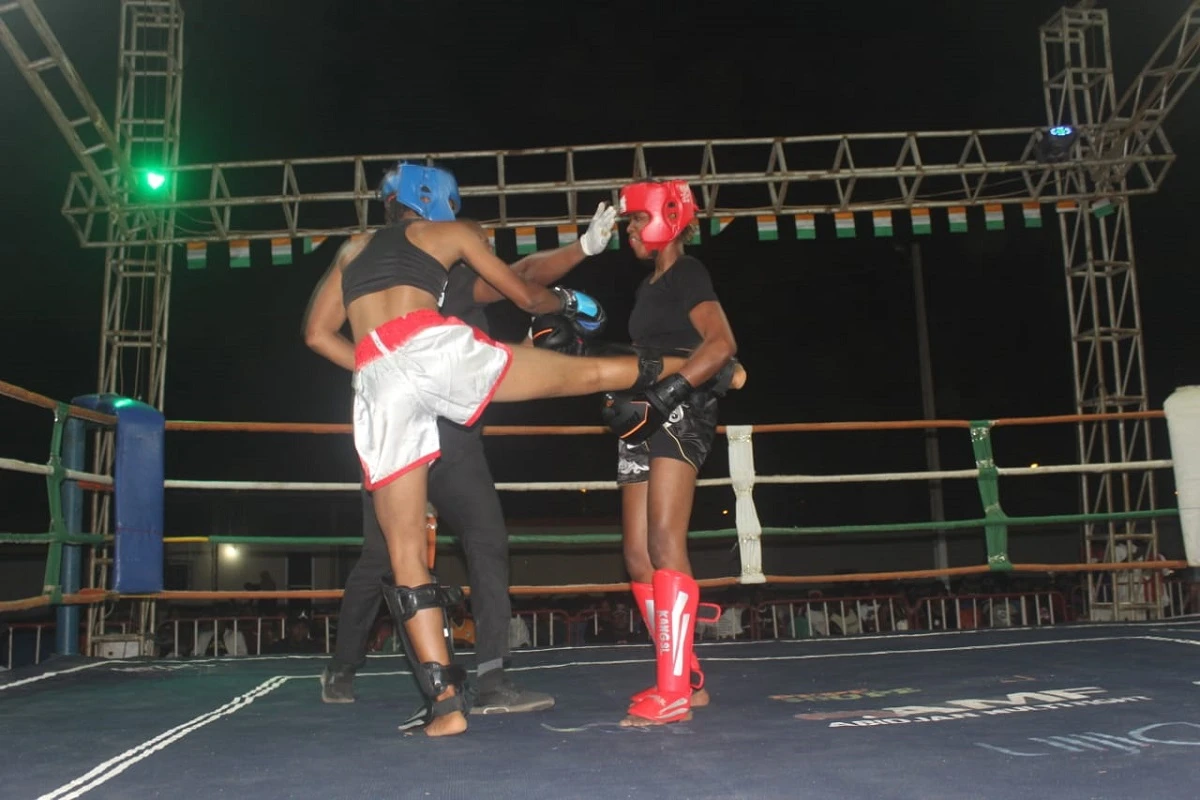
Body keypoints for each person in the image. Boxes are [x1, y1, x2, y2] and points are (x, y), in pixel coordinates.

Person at [306, 161, 740, 738]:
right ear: (436, 199)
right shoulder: (451, 237)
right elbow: (523, 286)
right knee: (571, 377)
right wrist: (564, 305)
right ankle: (706, 371)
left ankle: (444, 705)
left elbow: (315, 333)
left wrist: (372, 362)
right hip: (434, 355)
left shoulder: (353, 249)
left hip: (378, 383)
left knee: (402, 550)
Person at [304, 162, 619, 716]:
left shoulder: (388, 258)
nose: (480, 244)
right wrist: (581, 259)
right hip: (429, 421)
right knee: (397, 552)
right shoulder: (440, 257)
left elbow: (524, 272)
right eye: (476, 239)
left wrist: (583, 248)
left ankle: (475, 679)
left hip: (423, 423)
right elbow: (525, 277)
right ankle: (349, 665)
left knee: (456, 543)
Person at [605, 179, 739, 726]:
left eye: (637, 221)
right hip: (646, 412)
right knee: (637, 552)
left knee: (664, 538)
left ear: (666, 218)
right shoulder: (647, 288)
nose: (631, 231)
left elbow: (722, 344)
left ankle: (675, 690)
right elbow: (650, 354)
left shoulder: (688, 272)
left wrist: (672, 391)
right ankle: (687, 670)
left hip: (682, 408)